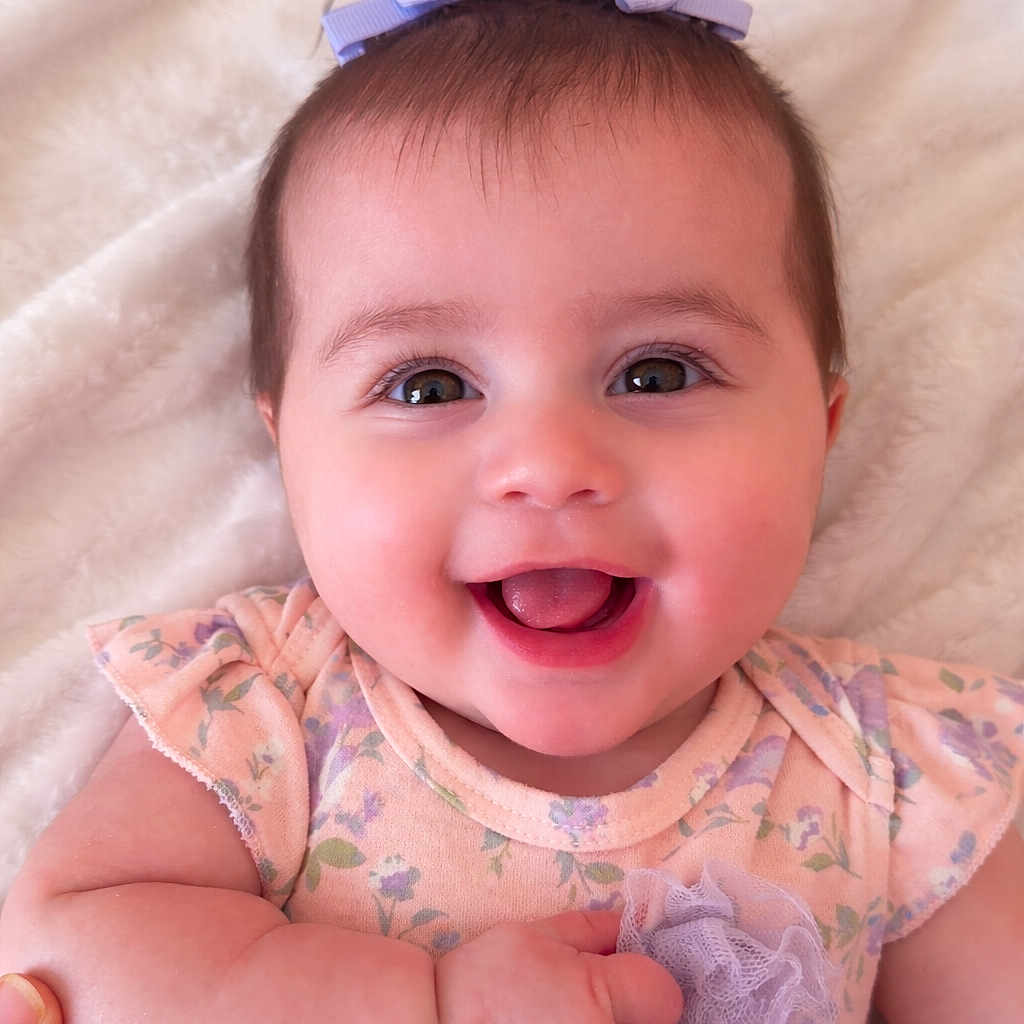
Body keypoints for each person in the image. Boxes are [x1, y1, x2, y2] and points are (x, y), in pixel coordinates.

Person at [1, 1, 1022, 1021]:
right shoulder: (260, 711)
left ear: (823, 429)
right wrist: (433, 1002)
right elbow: (64, 958)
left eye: (657, 371)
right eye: (430, 386)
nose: (548, 466)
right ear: (288, 445)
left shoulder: (893, 774)